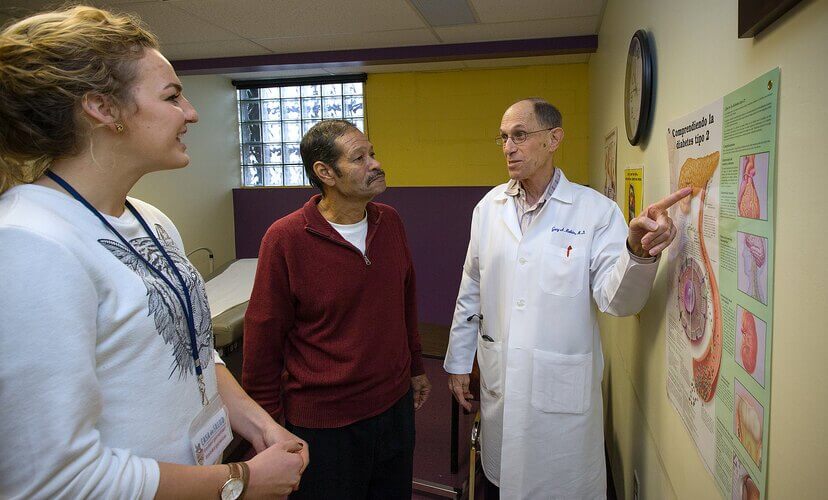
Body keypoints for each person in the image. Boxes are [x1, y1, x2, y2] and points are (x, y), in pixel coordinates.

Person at [0, 6, 307, 499]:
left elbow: (191, 349)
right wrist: (241, 482)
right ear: (102, 108)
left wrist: (258, 423)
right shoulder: (30, 242)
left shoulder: (149, 218)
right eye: (172, 96)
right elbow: (52, 480)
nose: (191, 111)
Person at [444, 98, 690, 499]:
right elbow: (471, 286)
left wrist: (637, 250)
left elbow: (618, 301)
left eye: (520, 135)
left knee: (559, 486)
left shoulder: (594, 211)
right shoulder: (489, 208)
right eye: (504, 138)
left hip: (560, 392)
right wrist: (457, 362)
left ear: (554, 139)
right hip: (501, 380)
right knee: (499, 479)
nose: (509, 147)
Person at [242, 119, 431, 499]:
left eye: (373, 153)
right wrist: (264, 426)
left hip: (394, 409)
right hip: (325, 424)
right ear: (325, 172)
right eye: (360, 158)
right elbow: (264, 335)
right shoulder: (286, 238)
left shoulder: (389, 221)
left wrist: (415, 367)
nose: (375, 164)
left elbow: (404, 302)